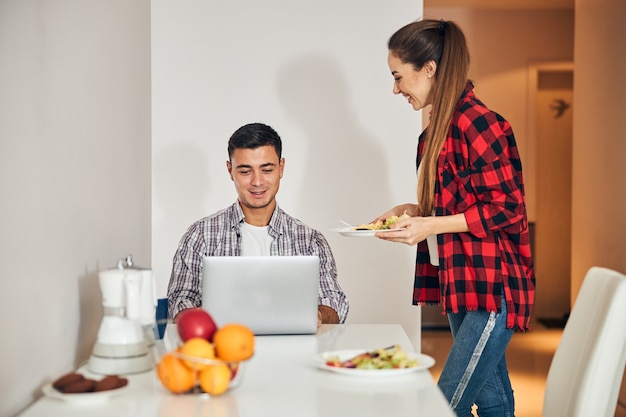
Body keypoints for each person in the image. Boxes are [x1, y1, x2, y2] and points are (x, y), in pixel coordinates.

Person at [373, 19, 535, 417]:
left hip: (490, 287)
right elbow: (455, 205)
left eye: (398, 76)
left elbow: (507, 207)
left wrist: (432, 225)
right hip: (461, 280)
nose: (395, 89)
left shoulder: (479, 123)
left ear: (428, 68)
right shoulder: (434, 133)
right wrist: (412, 212)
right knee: (493, 400)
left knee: (444, 405)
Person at [167, 122, 349, 327]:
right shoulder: (200, 235)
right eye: (245, 171)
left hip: (294, 353)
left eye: (267, 169)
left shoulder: (310, 241)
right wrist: (207, 317)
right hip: (223, 352)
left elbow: (334, 302)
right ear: (230, 171)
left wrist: (319, 316)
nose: (257, 182)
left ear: (281, 168)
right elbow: (178, 301)